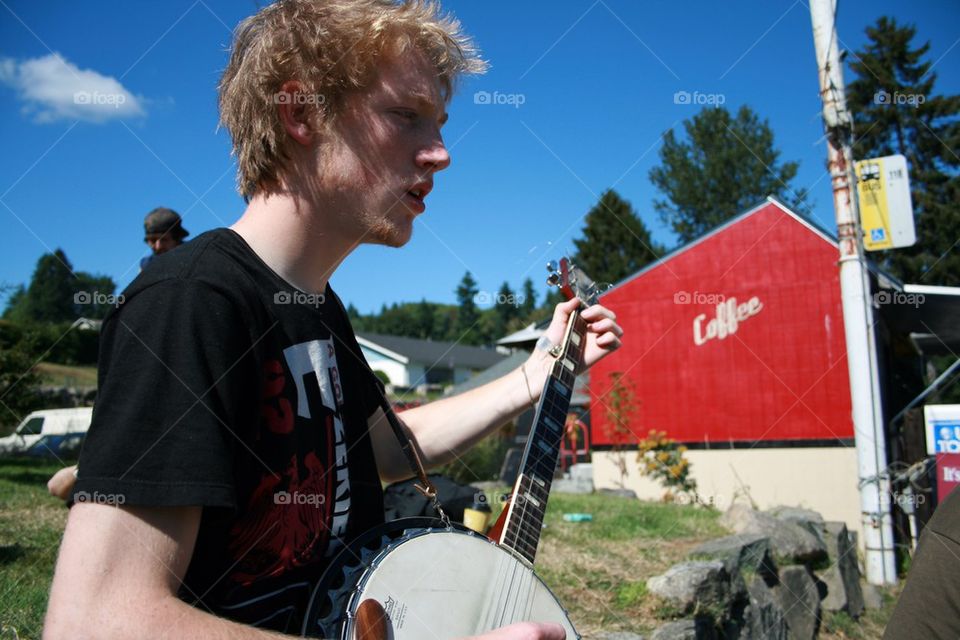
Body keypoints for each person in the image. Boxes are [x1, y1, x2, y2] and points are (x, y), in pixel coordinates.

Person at [43, 1, 623, 638]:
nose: (441, 154)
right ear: (301, 114)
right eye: (406, 117)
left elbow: (388, 451)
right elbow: (91, 621)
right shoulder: (189, 302)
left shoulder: (317, 306)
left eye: (440, 125)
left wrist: (535, 376)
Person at [45, 206, 192, 499]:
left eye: (163, 239)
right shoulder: (146, 266)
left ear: (177, 237)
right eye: (152, 240)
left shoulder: (192, 262)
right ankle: (90, 471)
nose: (157, 246)